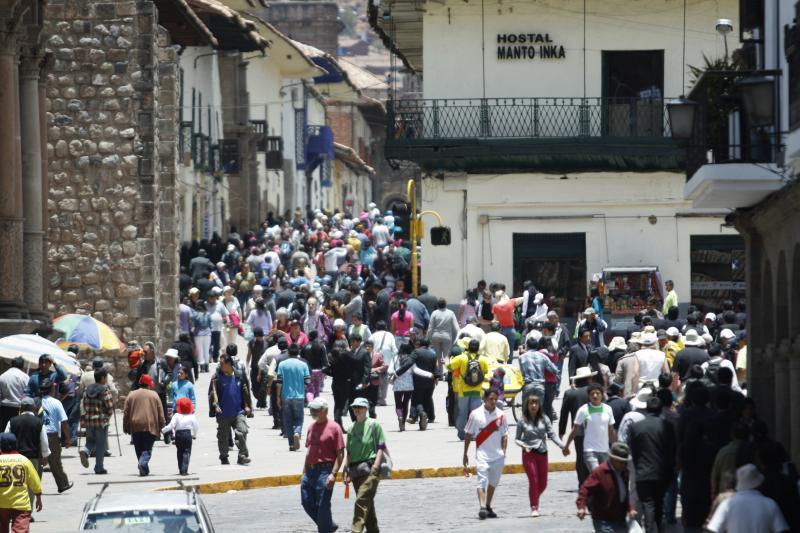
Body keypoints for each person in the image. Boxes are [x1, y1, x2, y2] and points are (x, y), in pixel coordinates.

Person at [515, 392, 568, 517]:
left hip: (542, 453)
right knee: (533, 480)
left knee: (543, 483)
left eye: (536, 403)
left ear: (539, 405)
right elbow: (517, 438)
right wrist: (523, 445)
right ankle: (534, 506)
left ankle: (534, 497)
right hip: (528, 454)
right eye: (531, 403)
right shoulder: (522, 420)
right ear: (527, 405)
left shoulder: (545, 418)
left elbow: (552, 434)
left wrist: (562, 446)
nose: (533, 406)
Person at [628, 397, 676, 533]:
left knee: (648, 504)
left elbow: (634, 450)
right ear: (661, 409)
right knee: (659, 502)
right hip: (662, 473)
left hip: (643, 472)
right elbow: (672, 449)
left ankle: (650, 530)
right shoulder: (667, 426)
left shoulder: (636, 427)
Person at [301, 397, 345, 533]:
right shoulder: (311, 427)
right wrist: (303, 473)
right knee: (306, 502)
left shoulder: (334, 428)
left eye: (316, 410)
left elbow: (340, 454)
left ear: (325, 410)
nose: (313, 412)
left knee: (322, 505)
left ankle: (325, 529)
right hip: (310, 471)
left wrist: (333, 474)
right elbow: (309, 452)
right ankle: (328, 525)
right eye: (311, 409)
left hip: (325, 471)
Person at [463, 388, 508, 520]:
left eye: (495, 399)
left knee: (493, 482)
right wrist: (465, 453)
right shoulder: (475, 414)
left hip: (497, 455)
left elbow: (505, 435)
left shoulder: (501, 415)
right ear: (485, 399)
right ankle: (482, 507)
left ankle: (488, 505)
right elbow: (468, 434)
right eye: (491, 399)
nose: (493, 401)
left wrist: (504, 452)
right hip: (482, 454)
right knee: (481, 480)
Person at [343, 397, 386, 533]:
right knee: (367, 503)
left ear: (366, 409)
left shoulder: (374, 425)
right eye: (355, 407)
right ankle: (373, 530)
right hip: (355, 472)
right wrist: (346, 469)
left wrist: (376, 467)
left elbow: (381, 446)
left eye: (360, 407)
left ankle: (356, 530)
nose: (357, 410)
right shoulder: (351, 429)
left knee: (361, 501)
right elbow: (348, 452)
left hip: (370, 470)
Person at [706, 463, 790, 533]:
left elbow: (713, 530)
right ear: (759, 483)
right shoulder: (770, 504)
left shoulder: (728, 504)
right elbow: (782, 530)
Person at [576, 442, 636, 532]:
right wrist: (581, 507)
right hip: (603, 521)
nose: (624, 465)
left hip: (620, 519)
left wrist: (630, 509)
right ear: (612, 459)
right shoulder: (600, 472)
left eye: (625, 462)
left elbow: (624, 494)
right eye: (621, 462)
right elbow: (585, 489)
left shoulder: (624, 472)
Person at [6, 397, 48, 519]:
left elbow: (5, 437)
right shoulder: (38, 422)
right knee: (30, 485)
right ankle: (27, 512)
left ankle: (13, 510)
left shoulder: (12, 421)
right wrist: (45, 456)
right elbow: (43, 441)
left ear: (21, 407)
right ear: (33, 407)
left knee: (15, 483)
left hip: (15, 458)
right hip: (32, 458)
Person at [208, 354, 252, 465]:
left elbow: (245, 391)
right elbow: (212, 394)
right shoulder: (216, 377)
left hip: (238, 412)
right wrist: (214, 406)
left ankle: (242, 455)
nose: (220, 365)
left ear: (229, 364)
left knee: (242, 431)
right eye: (220, 363)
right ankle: (224, 456)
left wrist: (247, 406)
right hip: (223, 413)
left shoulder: (238, 375)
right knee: (223, 437)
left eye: (222, 363)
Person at [564, 383, 616, 474]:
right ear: (589, 396)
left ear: (602, 395)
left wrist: (615, 446)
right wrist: (567, 445)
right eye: (592, 394)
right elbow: (575, 429)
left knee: (605, 477)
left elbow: (611, 430)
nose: (595, 396)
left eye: (597, 393)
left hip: (605, 451)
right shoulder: (583, 410)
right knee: (597, 474)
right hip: (590, 450)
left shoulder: (608, 409)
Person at [123, 374, 165, 476]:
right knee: (147, 449)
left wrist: (125, 426)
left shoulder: (131, 395)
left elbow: (126, 412)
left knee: (139, 448)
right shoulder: (154, 395)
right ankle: (142, 464)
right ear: (148, 384)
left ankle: (144, 470)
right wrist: (162, 424)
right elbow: (160, 412)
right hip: (149, 425)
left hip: (135, 425)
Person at [0, 433, 42, 531]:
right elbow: (35, 481)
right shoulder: (24, 461)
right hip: (21, 504)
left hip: (1, 504)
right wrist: (38, 497)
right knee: (20, 530)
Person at [449, 339, 489, 440]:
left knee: (462, 412)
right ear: (478, 348)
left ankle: (461, 434)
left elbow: (449, 366)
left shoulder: (461, 358)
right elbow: (485, 371)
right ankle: (475, 433)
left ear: (468, 347)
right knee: (475, 413)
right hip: (477, 390)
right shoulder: (483, 359)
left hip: (463, 390)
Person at [38, 379, 72, 493]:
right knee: (55, 462)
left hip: (38, 434)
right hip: (51, 435)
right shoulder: (56, 402)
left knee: (38, 462)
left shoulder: (37, 402)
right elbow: (64, 422)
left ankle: (35, 487)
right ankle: (63, 484)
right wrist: (67, 438)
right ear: (52, 389)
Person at [79, 368, 114, 475]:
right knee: (100, 445)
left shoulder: (87, 390)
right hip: (101, 422)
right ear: (103, 378)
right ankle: (99, 467)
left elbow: (84, 404)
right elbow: (109, 407)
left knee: (90, 441)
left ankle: (85, 451)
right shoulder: (105, 390)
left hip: (89, 421)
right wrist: (107, 417)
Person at [277, 344, 310, 451]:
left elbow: (279, 383)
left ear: (289, 352)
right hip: (299, 396)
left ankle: (291, 444)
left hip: (286, 396)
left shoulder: (282, 364)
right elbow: (307, 381)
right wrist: (301, 388)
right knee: (299, 419)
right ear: (298, 352)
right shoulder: (303, 364)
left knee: (287, 420)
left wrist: (278, 396)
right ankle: (297, 432)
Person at [161, 397, 198, 476]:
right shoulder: (192, 416)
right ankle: (184, 469)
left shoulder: (176, 415)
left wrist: (163, 430)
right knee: (187, 452)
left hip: (178, 435)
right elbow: (196, 426)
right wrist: (194, 435)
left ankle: (181, 469)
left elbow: (171, 425)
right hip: (187, 435)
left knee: (179, 452)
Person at [426, 298, 459, 372]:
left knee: (438, 356)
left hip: (436, 337)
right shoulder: (451, 313)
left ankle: (440, 373)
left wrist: (428, 338)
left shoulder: (434, 313)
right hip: (447, 337)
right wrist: (457, 338)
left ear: (438, 305)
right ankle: (446, 373)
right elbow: (456, 328)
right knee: (446, 356)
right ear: (446, 305)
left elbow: (430, 327)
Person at [388, 343, 415, 432]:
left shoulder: (395, 358)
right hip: (409, 384)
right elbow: (415, 370)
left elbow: (390, 370)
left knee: (398, 403)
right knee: (406, 403)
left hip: (398, 384)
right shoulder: (410, 359)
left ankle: (399, 416)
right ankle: (403, 422)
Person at [0, 358, 28, 430]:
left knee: (3, 429)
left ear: (11, 364)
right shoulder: (25, 377)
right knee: (15, 430)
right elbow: (27, 394)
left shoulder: (3, 376)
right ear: (22, 366)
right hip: (18, 408)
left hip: (3, 407)